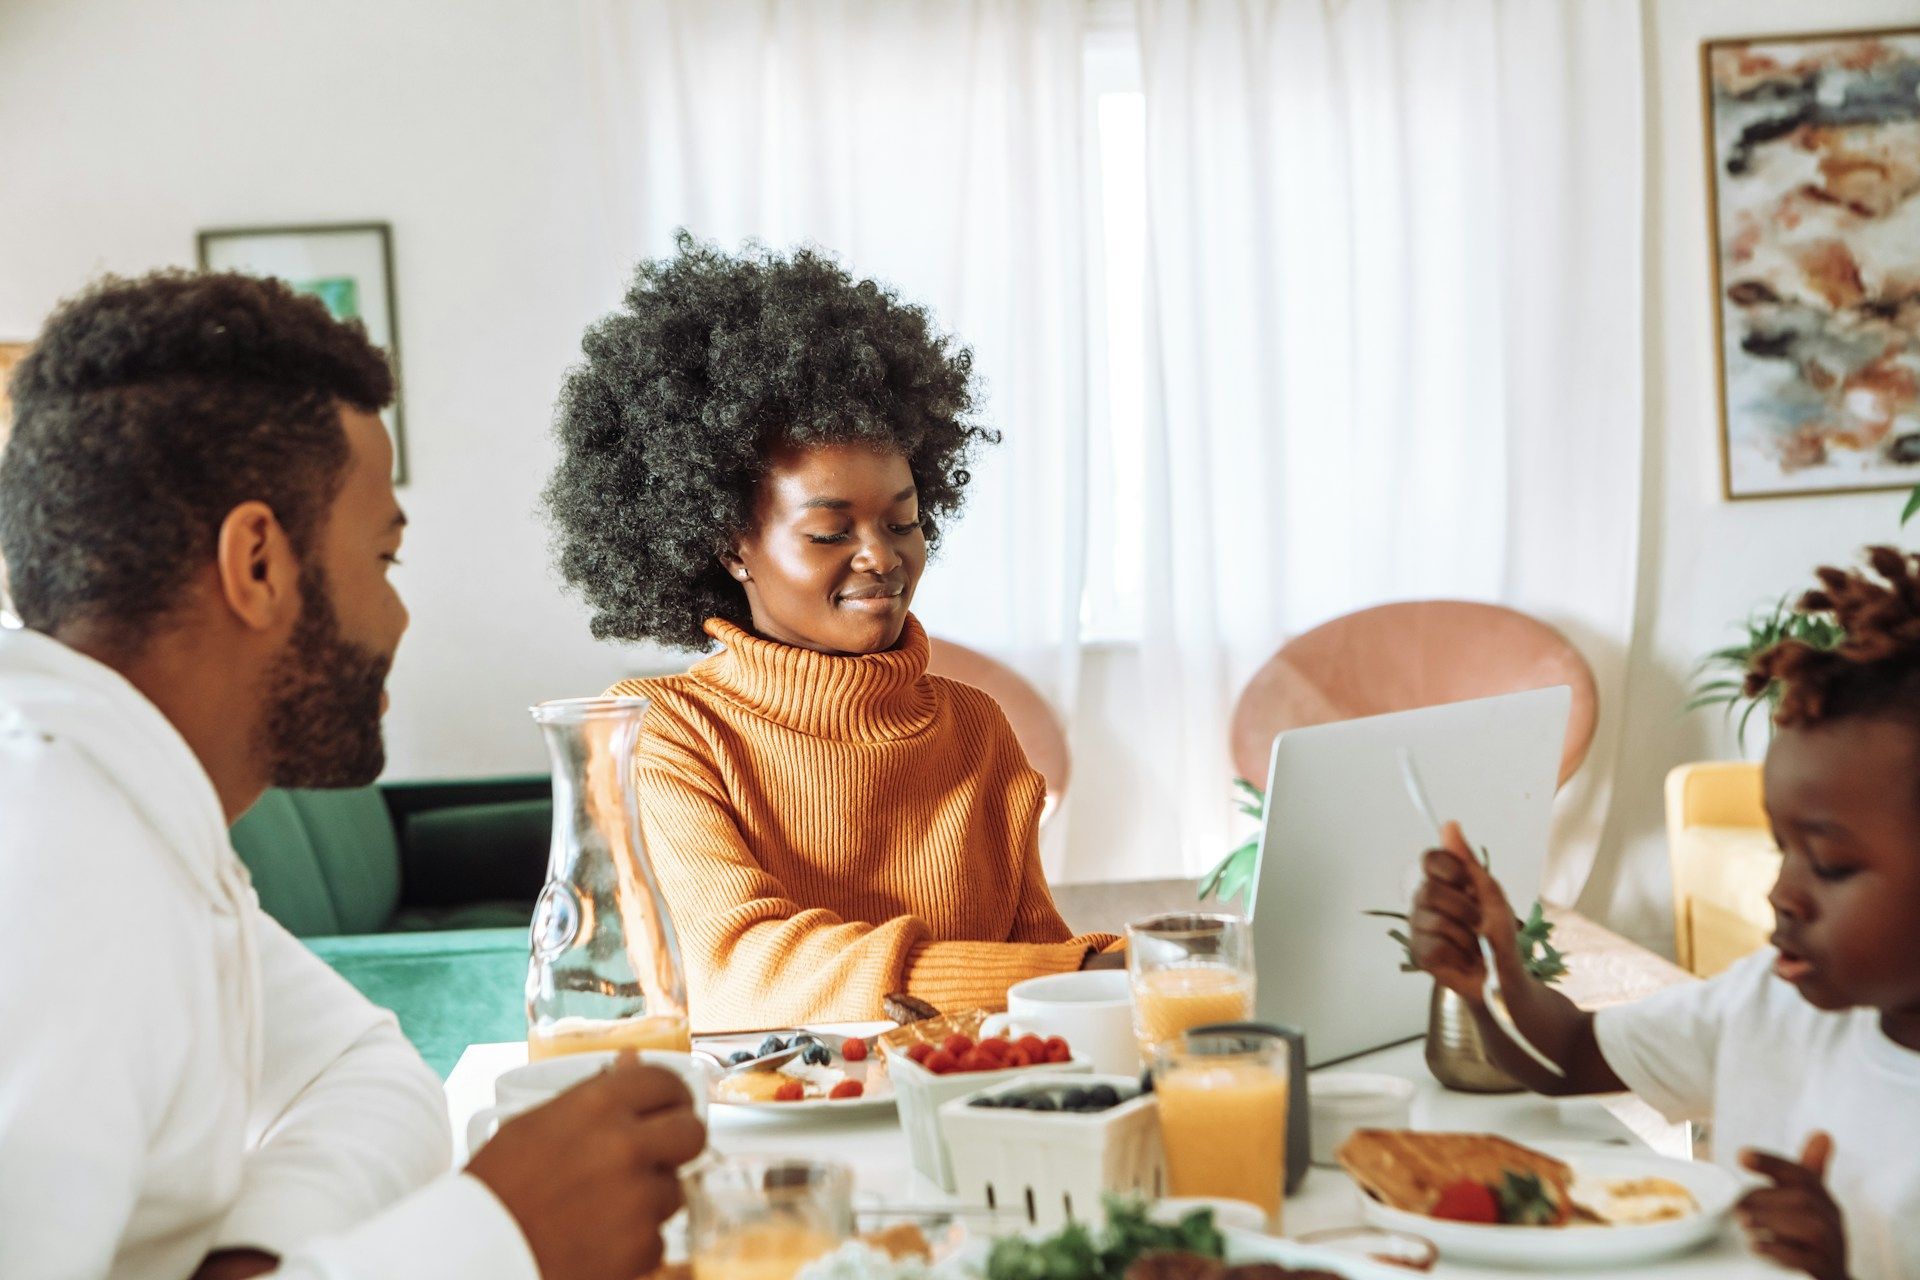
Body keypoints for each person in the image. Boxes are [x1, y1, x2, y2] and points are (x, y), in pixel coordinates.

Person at [0, 271, 704, 1280]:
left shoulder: (140, 815)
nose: (396, 617)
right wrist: (498, 1236)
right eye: (384, 557)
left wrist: (251, 1262)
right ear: (258, 563)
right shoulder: (50, 856)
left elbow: (367, 1069)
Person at [543, 235, 1120, 1031]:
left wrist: (1120, 978)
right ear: (729, 544)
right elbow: (742, 970)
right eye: (828, 532)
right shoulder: (664, 732)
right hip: (776, 1131)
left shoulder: (977, 730)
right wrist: (1081, 970)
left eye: (904, 519)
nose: (881, 557)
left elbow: (1037, 967)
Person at [1406, 548, 1920, 1280]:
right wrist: (1491, 970)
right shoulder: (1769, 1006)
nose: (1782, 893)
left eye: (1831, 865)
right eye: (1783, 849)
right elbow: (1572, 1056)